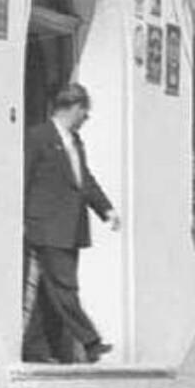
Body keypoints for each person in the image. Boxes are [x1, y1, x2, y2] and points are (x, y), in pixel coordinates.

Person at [21, 83, 113, 364]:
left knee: (49, 293)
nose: (86, 118)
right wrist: (22, 219)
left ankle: (37, 350)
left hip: (71, 228)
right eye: (85, 112)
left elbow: (84, 180)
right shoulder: (39, 136)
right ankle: (90, 341)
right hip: (46, 226)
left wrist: (106, 209)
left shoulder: (75, 142)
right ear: (74, 107)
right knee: (65, 287)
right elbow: (24, 176)